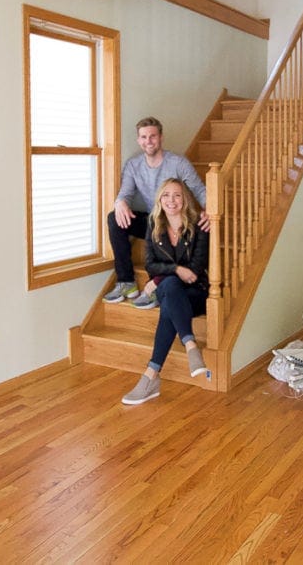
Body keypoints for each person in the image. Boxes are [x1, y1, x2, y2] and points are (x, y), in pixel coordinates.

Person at [121, 179, 210, 405]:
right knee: (170, 287)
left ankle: (150, 376)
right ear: (160, 199)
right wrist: (175, 270)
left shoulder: (198, 225)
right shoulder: (154, 224)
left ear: (185, 199)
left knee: (169, 302)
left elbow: (196, 268)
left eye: (177, 195)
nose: (172, 200)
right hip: (170, 290)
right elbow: (150, 265)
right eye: (166, 195)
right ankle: (190, 345)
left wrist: (162, 278)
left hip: (195, 292)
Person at [103, 117, 209, 303]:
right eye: (144, 137)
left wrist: (211, 210)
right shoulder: (133, 165)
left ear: (161, 137)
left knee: (175, 230)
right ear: (138, 140)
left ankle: (159, 285)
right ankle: (126, 281)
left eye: (153, 136)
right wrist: (120, 202)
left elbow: (200, 190)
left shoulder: (178, 163)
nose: (148, 141)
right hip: (153, 222)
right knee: (114, 218)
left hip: (175, 222)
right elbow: (125, 194)